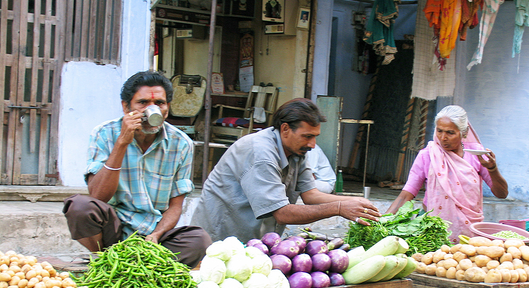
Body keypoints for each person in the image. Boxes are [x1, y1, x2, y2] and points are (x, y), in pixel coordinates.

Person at [63, 71, 212, 268]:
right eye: (143, 103)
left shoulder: (181, 143)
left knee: (199, 240)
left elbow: (176, 205)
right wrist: (122, 143)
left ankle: (138, 265)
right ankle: (107, 261)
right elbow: (98, 196)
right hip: (113, 230)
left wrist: (157, 235)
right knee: (80, 206)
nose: (153, 110)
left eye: (159, 103)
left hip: (153, 235)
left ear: (167, 107)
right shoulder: (104, 134)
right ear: (126, 107)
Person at [191, 98, 381, 242]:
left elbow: (311, 195)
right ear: (285, 129)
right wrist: (339, 208)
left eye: (315, 137)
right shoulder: (260, 152)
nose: (313, 144)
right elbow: (282, 213)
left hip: (251, 241)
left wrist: (353, 201)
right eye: (307, 136)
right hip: (218, 239)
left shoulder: (297, 150)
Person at [386, 104, 508, 243]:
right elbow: (406, 195)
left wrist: (492, 169)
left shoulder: (476, 154)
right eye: (439, 131)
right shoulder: (427, 155)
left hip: (469, 231)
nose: (443, 137)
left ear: (464, 132)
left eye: (450, 133)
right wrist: (383, 222)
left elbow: (502, 194)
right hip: (433, 230)